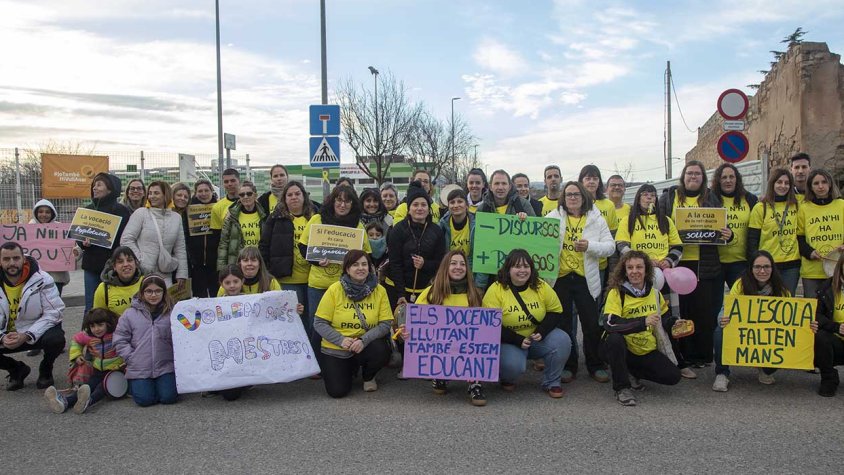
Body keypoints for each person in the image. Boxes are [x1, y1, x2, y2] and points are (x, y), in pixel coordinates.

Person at [659, 160, 732, 368]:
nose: (693, 177)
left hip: (703, 264)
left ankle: (700, 356)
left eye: (697, 174)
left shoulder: (711, 198)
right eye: (689, 173)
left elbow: (722, 230)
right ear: (683, 176)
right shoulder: (669, 197)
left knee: (702, 311)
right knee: (678, 311)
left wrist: (728, 234)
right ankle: (679, 354)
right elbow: (657, 223)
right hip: (675, 263)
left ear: (703, 177)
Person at [616, 184, 693, 378]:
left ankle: (679, 361)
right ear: (638, 198)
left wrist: (668, 260)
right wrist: (642, 260)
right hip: (640, 278)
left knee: (671, 320)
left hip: (666, 277)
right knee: (642, 320)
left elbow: (677, 245)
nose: (649, 198)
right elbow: (622, 245)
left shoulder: (665, 221)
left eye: (652, 195)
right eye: (644, 194)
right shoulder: (628, 220)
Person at [547, 181, 615, 382]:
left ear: (583, 196)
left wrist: (590, 246)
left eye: (576, 194)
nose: (573, 198)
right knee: (564, 324)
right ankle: (569, 365)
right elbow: (536, 238)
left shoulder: (595, 219)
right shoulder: (552, 217)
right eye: (569, 194)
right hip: (560, 278)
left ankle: (595, 365)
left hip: (586, 277)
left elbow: (610, 247)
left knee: (591, 323)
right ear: (563, 198)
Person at [481, 249, 571, 398]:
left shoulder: (540, 285)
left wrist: (542, 331)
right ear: (508, 269)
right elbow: (490, 325)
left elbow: (556, 311)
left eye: (526, 266)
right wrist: (517, 339)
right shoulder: (496, 290)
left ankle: (552, 381)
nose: (522, 270)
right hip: (510, 341)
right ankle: (507, 377)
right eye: (517, 266)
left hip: (536, 338)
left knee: (562, 340)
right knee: (513, 366)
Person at [405, 250, 488, 405]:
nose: (458, 267)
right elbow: (416, 322)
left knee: (479, 345)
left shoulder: (475, 294)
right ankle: (440, 374)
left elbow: (485, 328)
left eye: (463, 264)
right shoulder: (431, 292)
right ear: (445, 267)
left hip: (466, 347)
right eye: (453, 263)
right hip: (440, 346)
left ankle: (475, 383)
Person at [712, 251, 802, 392]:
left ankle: (765, 368)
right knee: (720, 331)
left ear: (773, 268)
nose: (762, 271)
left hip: (770, 334)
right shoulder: (740, 285)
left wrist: (807, 325)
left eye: (766, 266)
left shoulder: (782, 290)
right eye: (757, 267)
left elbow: (792, 321)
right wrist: (722, 319)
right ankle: (722, 373)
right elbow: (726, 308)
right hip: (743, 331)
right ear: (751, 268)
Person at [601, 251, 682, 406]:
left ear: (646, 270)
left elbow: (664, 320)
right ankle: (622, 388)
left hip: (645, 348)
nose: (634, 271)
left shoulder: (655, 293)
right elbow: (610, 324)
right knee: (614, 339)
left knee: (673, 376)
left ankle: (630, 371)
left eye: (639, 267)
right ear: (624, 271)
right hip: (621, 347)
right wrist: (642, 322)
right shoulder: (617, 292)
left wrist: (675, 323)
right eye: (630, 267)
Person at [314, 250, 392, 398]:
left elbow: (385, 324)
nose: (360, 268)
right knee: (337, 392)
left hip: (365, 344)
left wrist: (364, 340)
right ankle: (349, 368)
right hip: (337, 346)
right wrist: (341, 340)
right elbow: (319, 323)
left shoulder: (379, 290)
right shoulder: (334, 289)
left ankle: (368, 376)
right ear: (347, 269)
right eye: (355, 265)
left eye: (364, 264)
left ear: (370, 267)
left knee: (381, 350)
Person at [298, 185, 371, 341]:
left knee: (343, 327)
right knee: (316, 327)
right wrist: (316, 261)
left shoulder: (357, 226)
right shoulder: (317, 219)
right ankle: (317, 364)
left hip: (346, 287)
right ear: (332, 201)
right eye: (339, 200)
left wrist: (351, 265)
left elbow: (366, 255)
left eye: (347, 201)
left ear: (353, 204)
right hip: (318, 286)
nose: (342, 205)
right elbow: (303, 246)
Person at [0, 242, 65, 390]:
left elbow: (54, 312)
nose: (12, 263)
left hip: (34, 330)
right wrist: (2, 337)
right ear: (0, 261)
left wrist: (26, 335)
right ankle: (16, 369)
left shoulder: (42, 279)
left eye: (16, 258)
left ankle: (46, 369)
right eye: (6, 259)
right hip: (6, 334)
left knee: (56, 339)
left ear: (24, 258)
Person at [113, 274, 177, 407]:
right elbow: (120, 339)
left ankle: (159, 386)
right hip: (139, 366)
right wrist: (131, 357)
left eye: (158, 291)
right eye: (149, 291)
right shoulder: (129, 314)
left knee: (169, 397)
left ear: (164, 292)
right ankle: (137, 386)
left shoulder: (172, 313)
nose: (153, 295)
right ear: (142, 293)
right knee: (144, 400)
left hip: (165, 366)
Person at [43, 308, 122, 414]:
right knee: (87, 387)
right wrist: (77, 355)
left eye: (100, 325)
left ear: (107, 324)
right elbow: (76, 340)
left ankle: (89, 401)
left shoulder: (116, 333)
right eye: (92, 326)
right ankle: (65, 402)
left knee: (102, 387)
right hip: (98, 370)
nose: (96, 329)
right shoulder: (88, 336)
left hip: (116, 370)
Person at [385, 181, 446, 309]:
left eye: (424, 205)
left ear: (429, 209)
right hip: (398, 290)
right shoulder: (397, 230)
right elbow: (395, 263)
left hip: (425, 291)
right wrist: (401, 293)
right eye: (415, 204)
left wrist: (425, 264)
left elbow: (441, 262)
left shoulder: (437, 231)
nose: (419, 208)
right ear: (409, 208)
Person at [78, 173, 131, 312]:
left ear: (110, 189)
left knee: (115, 305)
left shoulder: (122, 211)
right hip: (92, 267)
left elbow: (126, 239)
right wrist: (83, 243)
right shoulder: (87, 211)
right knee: (92, 306)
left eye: (99, 184)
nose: (95, 188)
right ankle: (89, 333)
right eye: (94, 185)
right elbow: (79, 237)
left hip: (115, 267)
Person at [261, 181, 315, 316]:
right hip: (287, 280)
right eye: (289, 195)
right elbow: (264, 246)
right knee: (295, 318)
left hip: (313, 279)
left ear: (304, 196)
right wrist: (269, 271)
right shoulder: (275, 218)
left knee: (313, 320)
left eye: (297, 193)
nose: (294, 197)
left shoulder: (316, 217)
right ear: (284, 199)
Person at [120, 181, 188, 287]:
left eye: (156, 193)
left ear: (166, 195)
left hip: (165, 273)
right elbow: (126, 239)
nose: (152, 196)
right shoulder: (141, 213)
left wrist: (182, 274)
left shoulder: (176, 218)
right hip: (142, 274)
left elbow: (180, 248)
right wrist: (140, 260)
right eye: (150, 193)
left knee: (165, 302)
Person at [747, 168, 801, 296]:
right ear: (772, 184)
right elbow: (752, 240)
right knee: (766, 303)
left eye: (787, 183)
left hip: (791, 265)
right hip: (767, 264)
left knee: (787, 303)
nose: (783, 186)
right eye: (779, 182)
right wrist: (754, 263)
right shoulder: (761, 207)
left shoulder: (797, 204)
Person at [711, 163, 758, 294]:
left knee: (742, 302)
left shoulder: (750, 199)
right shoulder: (710, 198)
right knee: (714, 306)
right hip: (716, 262)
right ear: (718, 180)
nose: (728, 180)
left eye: (731, 176)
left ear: (737, 179)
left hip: (741, 262)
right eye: (724, 177)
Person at [797, 169, 844, 298]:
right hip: (812, 271)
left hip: (838, 269)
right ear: (811, 187)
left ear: (830, 184)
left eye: (824, 182)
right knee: (813, 313)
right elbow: (798, 238)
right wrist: (809, 252)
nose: (821, 186)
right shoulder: (804, 208)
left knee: (838, 312)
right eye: (816, 183)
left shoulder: (841, 205)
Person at [438, 188, 486, 289]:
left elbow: (483, 258)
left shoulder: (478, 226)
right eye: (452, 202)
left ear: (467, 206)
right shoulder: (441, 227)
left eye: (460, 201)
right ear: (448, 207)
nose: (456, 205)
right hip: (448, 276)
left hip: (471, 276)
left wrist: (479, 286)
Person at [30, 199, 78, 296]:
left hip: (56, 278)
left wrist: (76, 254)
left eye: (47, 212)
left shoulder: (61, 229)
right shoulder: (28, 228)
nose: (44, 214)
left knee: (54, 306)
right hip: (34, 278)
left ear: (52, 213)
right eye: (40, 211)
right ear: (35, 213)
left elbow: (75, 248)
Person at [218, 181, 267, 268]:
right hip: (238, 262)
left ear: (255, 195)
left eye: (249, 194)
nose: (245, 197)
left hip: (260, 261)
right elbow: (223, 244)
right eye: (242, 194)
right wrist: (222, 268)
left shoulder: (264, 216)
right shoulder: (231, 217)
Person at [815, 252, 844, 397]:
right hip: (838, 341)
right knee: (820, 337)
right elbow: (816, 315)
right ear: (841, 266)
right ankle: (829, 378)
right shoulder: (827, 287)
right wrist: (837, 327)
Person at [186, 179, 219, 297]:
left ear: (212, 191)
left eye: (206, 190)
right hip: (197, 263)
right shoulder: (188, 209)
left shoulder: (218, 207)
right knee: (199, 295)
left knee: (216, 294)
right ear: (195, 192)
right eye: (200, 191)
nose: (203, 193)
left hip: (215, 261)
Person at [93, 246, 143, 316]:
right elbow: (97, 318)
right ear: (114, 267)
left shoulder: (146, 283)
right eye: (120, 262)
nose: (126, 264)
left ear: (136, 263)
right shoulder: (103, 288)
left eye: (129, 260)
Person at [210, 168, 241, 260]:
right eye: (226, 181)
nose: (229, 184)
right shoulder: (217, 207)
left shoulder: (251, 202)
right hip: (230, 254)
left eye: (232, 180)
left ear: (239, 181)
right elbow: (217, 236)